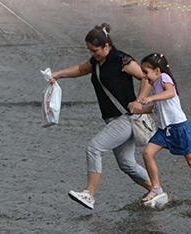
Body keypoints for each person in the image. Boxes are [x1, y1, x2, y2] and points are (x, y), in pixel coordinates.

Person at [49, 23, 152, 210]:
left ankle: (89, 194)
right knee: (127, 164)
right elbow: (80, 69)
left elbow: (146, 77)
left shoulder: (122, 60)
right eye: (89, 50)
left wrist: (140, 100)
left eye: (94, 50)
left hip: (126, 118)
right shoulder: (97, 61)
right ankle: (156, 190)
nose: (92, 53)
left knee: (94, 148)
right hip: (113, 119)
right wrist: (58, 75)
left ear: (106, 46)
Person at [129, 53, 191, 214]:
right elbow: (155, 108)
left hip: (179, 127)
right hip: (164, 129)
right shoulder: (155, 85)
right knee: (147, 153)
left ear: (156, 70)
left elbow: (169, 93)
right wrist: (139, 109)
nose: (144, 76)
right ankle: (156, 188)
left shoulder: (163, 78)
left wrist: (150, 98)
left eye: (146, 72)